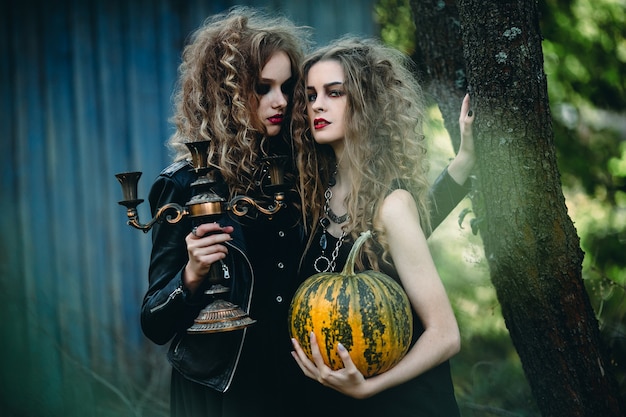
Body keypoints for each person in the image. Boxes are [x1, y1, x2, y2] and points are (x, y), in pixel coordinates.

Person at [140, 6, 473, 417]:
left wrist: (459, 171)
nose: (281, 101)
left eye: (287, 87)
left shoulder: (301, 171)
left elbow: (382, 233)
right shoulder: (186, 185)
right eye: (263, 88)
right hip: (224, 390)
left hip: (295, 383)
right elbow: (154, 323)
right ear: (225, 94)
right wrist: (191, 273)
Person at [291, 37, 474, 417]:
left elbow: (445, 335)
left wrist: (368, 388)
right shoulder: (317, 194)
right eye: (310, 96)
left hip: (403, 404)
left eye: (334, 93)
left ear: (366, 102)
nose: (317, 105)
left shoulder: (392, 206)